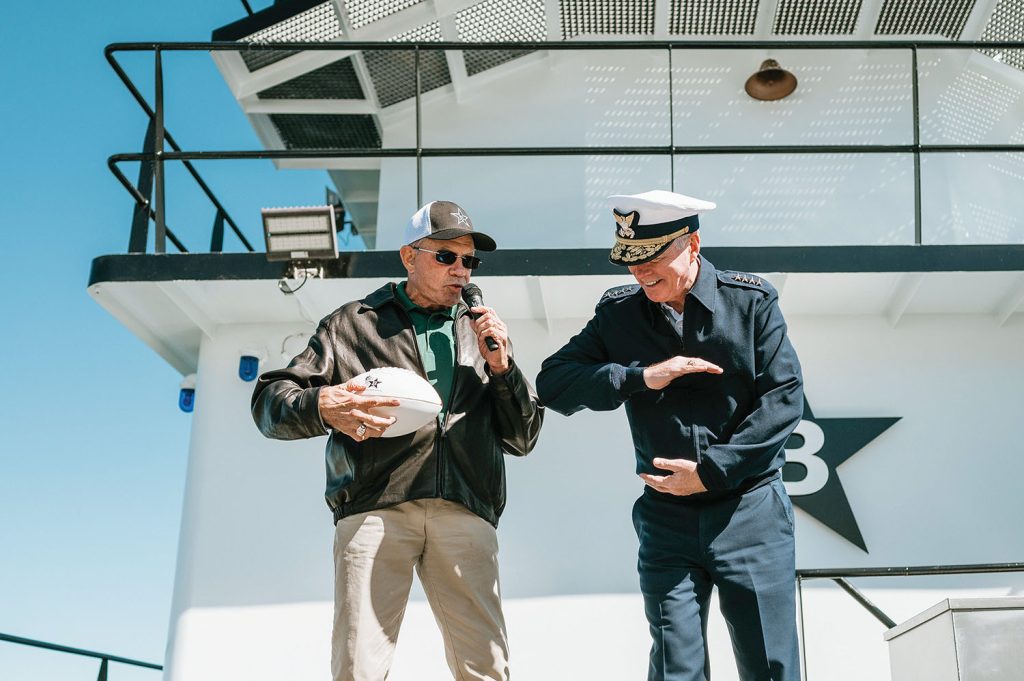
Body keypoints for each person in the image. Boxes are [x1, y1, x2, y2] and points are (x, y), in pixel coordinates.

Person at [252, 200, 544, 681]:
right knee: (359, 664)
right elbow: (270, 401)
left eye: (469, 261)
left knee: (487, 668)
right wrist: (323, 404)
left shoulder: (480, 332)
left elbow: (523, 436)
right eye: (446, 257)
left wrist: (502, 368)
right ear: (409, 257)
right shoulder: (352, 324)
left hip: (466, 507)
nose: (461, 270)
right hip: (374, 507)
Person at [536, 190, 803, 681]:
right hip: (665, 517)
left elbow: (783, 398)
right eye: (631, 262)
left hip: (750, 512)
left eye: (652, 258)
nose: (640, 273)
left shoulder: (751, 303)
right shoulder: (619, 314)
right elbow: (552, 384)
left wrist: (710, 473)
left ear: (692, 243)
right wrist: (640, 376)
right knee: (674, 669)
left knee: (770, 664)